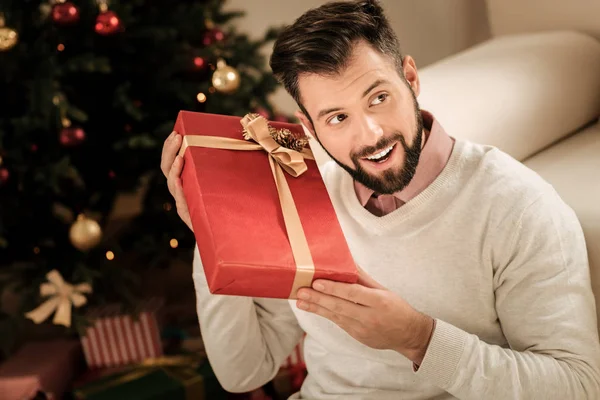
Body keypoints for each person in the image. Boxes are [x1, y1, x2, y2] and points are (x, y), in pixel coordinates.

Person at [160, 1, 600, 399]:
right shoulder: (305, 196)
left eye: (379, 98)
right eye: (337, 118)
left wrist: (420, 339)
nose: (369, 134)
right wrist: (213, 229)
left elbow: (578, 386)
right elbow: (244, 372)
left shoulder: (518, 206)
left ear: (410, 77)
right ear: (308, 127)